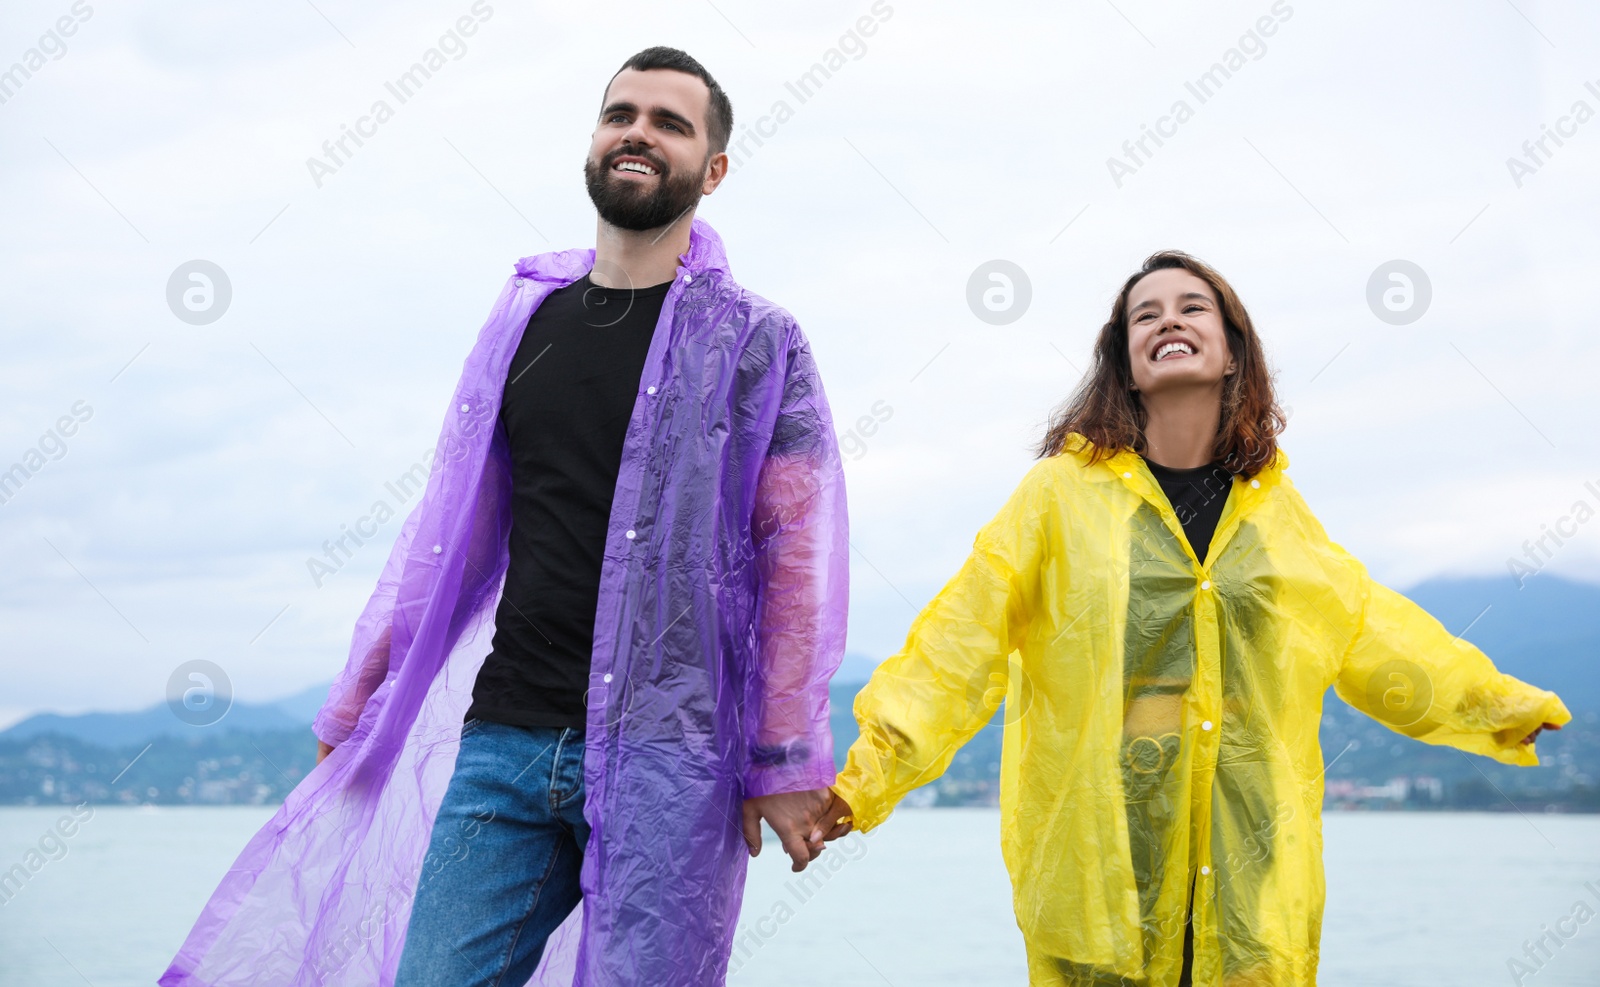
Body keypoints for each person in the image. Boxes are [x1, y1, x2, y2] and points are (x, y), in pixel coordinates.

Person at [162, 47, 847, 987]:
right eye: (621, 115)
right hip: (506, 741)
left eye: (669, 122)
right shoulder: (526, 320)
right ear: (596, 142)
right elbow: (445, 531)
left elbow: (798, 561)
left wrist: (782, 757)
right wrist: (361, 694)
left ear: (713, 169)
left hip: (670, 758)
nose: (638, 132)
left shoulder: (758, 344)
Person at [809, 251, 1569, 987]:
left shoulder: (1274, 514)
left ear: (1233, 349)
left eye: (1190, 306)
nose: (1166, 320)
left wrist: (1495, 705)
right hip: (1101, 890)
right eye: (1145, 315)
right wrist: (863, 778)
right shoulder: (1058, 496)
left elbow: (1369, 627)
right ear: (1126, 360)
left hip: (1251, 895)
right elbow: (957, 645)